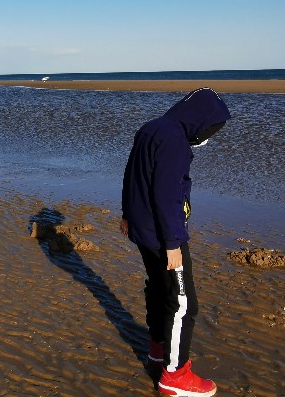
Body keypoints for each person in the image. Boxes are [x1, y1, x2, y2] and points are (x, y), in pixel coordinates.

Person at [120, 87, 231, 397]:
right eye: (211, 130)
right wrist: (173, 243)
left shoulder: (153, 126)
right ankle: (175, 375)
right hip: (162, 235)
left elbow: (132, 174)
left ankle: (158, 351)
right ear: (200, 120)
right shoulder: (174, 141)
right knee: (183, 303)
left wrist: (127, 214)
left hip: (143, 229)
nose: (208, 137)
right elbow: (167, 195)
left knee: (158, 289)